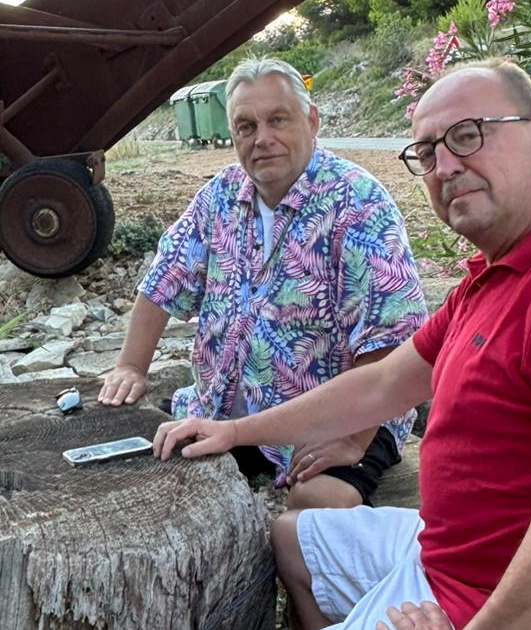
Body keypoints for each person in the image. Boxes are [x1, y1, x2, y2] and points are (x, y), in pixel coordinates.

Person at [151, 58, 531, 630]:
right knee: (294, 536)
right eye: (428, 152)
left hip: (507, 599)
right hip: (448, 554)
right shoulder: (500, 272)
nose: (446, 166)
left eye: (467, 135)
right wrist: (235, 431)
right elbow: (382, 384)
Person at [98, 57, 427, 511]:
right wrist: (131, 367)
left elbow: (392, 340)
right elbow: (164, 277)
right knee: (132, 476)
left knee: (318, 505)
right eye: (247, 126)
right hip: (221, 412)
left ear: (311, 121)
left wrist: (352, 438)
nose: (262, 138)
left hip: (338, 420)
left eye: (278, 120)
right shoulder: (220, 195)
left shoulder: (359, 204)